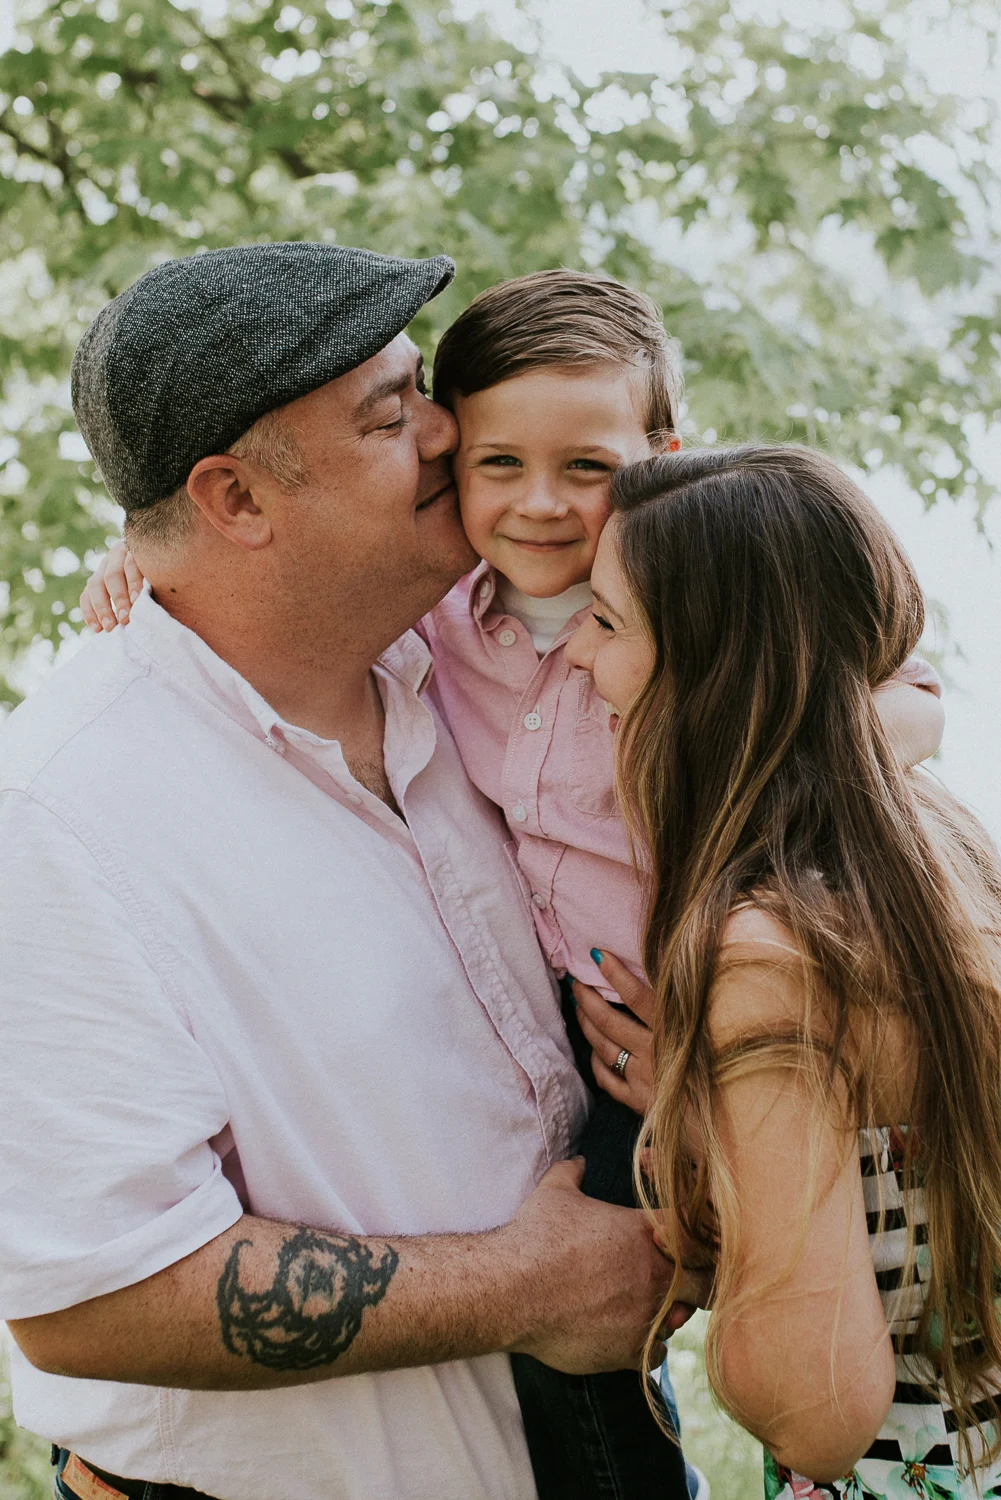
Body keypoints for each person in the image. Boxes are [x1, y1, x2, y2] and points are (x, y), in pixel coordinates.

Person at [82, 268, 944, 1500]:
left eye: (584, 468)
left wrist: (827, 743)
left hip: (720, 1014)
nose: (537, 504)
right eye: (494, 462)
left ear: (656, 461)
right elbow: (260, 583)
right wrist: (142, 550)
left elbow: (894, 698)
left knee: (775, 1293)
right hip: (594, 1035)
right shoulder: (434, 621)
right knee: (605, 1316)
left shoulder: (687, 607)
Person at [0, 243, 701, 1500]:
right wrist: (536, 1288)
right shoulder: (61, 815)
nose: (447, 429)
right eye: (390, 415)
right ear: (235, 499)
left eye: (423, 387)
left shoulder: (474, 664)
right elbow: (90, 1299)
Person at [566, 445, 1001, 1498]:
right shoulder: (947, 851)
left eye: (608, 622)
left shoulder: (768, 956)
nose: (577, 651)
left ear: (710, 673)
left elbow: (816, 1409)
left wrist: (708, 1142)